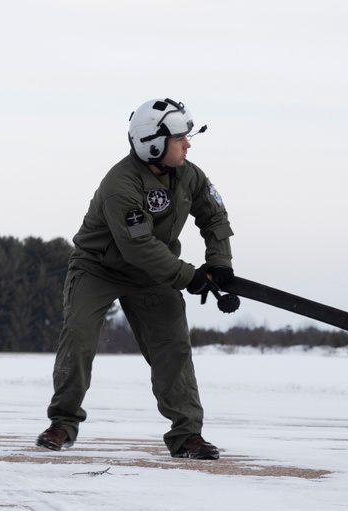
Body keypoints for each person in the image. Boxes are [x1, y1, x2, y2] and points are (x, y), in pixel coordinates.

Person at [35, 98, 234, 460]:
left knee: (173, 347)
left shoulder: (190, 175)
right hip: (99, 268)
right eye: (180, 139)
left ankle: (187, 435)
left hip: (153, 274)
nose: (188, 144)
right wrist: (189, 276)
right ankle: (62, 422)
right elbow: (138, 247)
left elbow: (215, 217)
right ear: (153, 144)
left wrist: (219, 261)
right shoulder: (120, 185)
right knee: (78, 338)